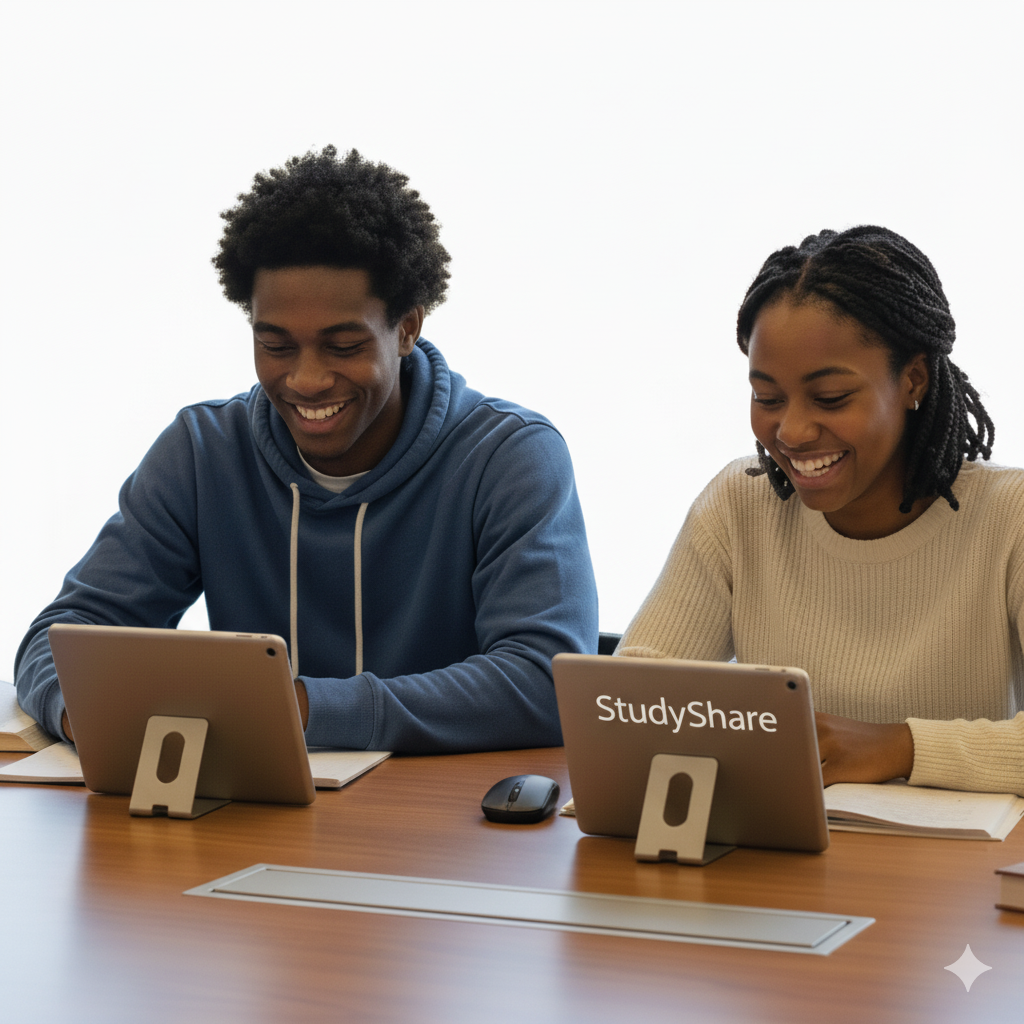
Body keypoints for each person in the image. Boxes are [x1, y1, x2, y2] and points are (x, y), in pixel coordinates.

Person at [16, 146, 598, 753]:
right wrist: (86, 713)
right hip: (247, 802)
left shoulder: (510, 458)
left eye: (343, 346)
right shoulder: (203, 453)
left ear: (406, 328)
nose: (306, 380)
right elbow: (59, 639)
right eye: (276, 346)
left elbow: (545, 681)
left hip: (436, 810)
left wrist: (295, 708)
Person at [618, 225, 1024, 796]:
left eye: (830, 398)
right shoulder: (739, 504)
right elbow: (629, 704)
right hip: (778, 845)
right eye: (767, 397)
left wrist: (898, 747)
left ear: (913, 379)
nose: (792, 431)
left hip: (949, 854)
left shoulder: (1010, 517)